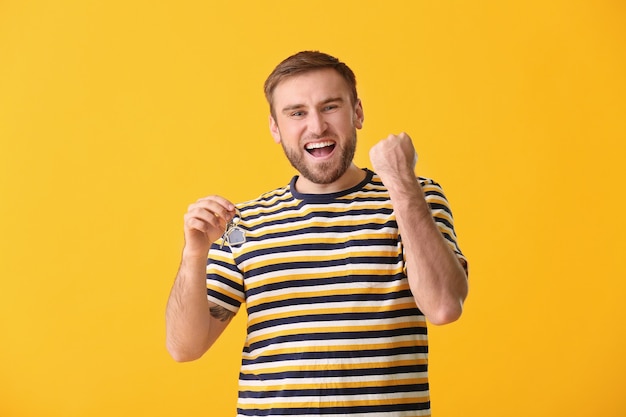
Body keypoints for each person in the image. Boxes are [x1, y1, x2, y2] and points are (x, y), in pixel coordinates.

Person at [166, 50, 469, 417]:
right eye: (297, 113)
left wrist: (402, 182)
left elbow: (443, 307)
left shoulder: (415, 197)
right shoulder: (244, 223)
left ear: (357, 113)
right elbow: (185, 347)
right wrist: (194, 256)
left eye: (330, 107)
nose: (317, 126)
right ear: (275, 128)